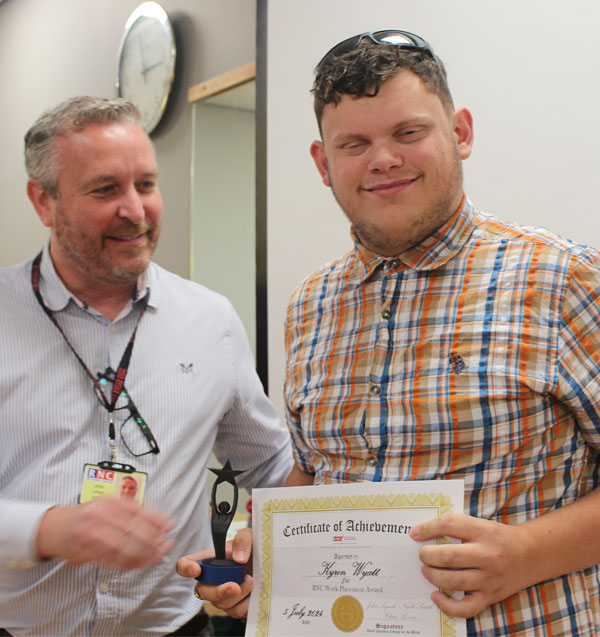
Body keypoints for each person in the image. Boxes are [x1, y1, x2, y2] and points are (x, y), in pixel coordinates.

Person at [177, 30, 600, 636]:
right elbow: (315, 470)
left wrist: (528, 553)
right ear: (325, 165)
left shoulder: (563, 278)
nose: (383, 159)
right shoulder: (311, 304)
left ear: (460, 133)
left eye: (408, 132)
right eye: (355, 143)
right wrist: (265, 555)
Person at [0, 96, 293, 636]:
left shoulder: (211, 320)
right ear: (43, 201)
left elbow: (273, 465)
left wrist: (261, 538)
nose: (134, 210)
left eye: (146, 185)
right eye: (105, 189)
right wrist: (45, 529)